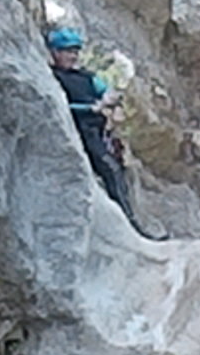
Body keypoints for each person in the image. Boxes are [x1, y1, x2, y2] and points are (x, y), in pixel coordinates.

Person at [44, 25, 136, 218]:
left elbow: (106, 90)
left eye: (75, 51)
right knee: (110, 169)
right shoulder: (53, 77)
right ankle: (129, 222)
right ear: (55, 52)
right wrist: (88, 108)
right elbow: (58, 104)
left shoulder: (86, 77)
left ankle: (128, 219)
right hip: (79, 130)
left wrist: (109, 98)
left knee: (118, 170)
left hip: (96, 130)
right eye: (68, 51)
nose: (73, 56)